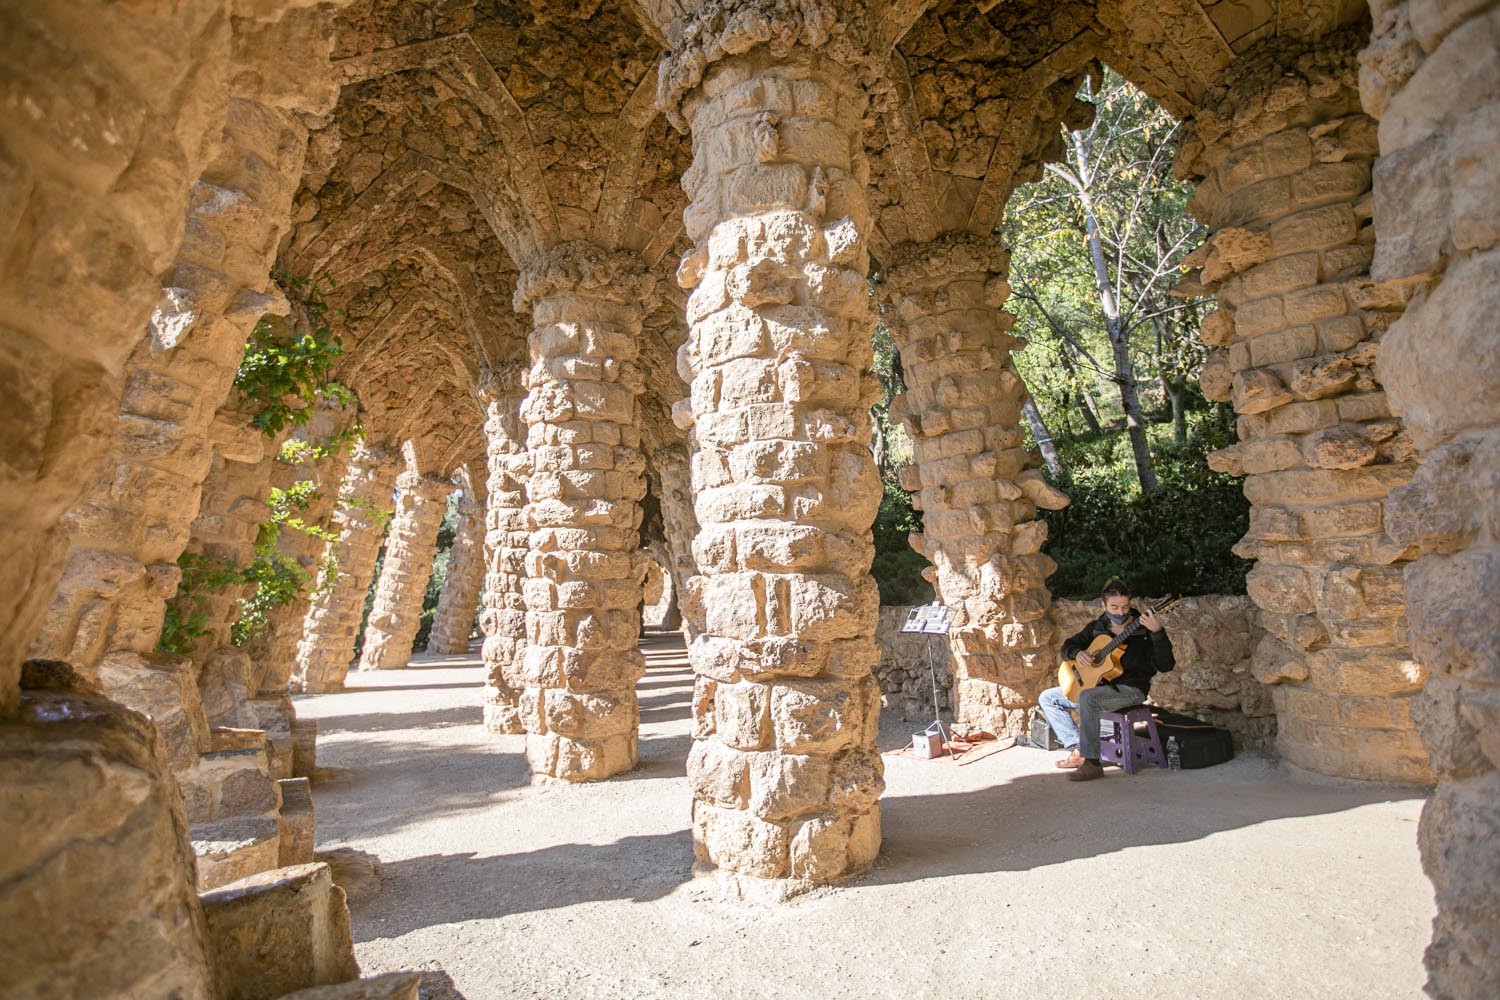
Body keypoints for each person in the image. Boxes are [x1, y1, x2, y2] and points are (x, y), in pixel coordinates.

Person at [1038, 577, 1175, 782]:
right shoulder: (1097, 627)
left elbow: (1166, 665)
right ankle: (1078, 746)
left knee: (1087, 698)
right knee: (1048, 698)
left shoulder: (1143, 629)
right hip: (1097, 687)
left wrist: (1157, 633)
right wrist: (1078, 653)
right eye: (1114, 607)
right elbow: (1067, 647)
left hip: (1130, 690)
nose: (1120, 612)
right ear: (1103, 605)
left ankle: (1092, 764)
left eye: (1125, 607)